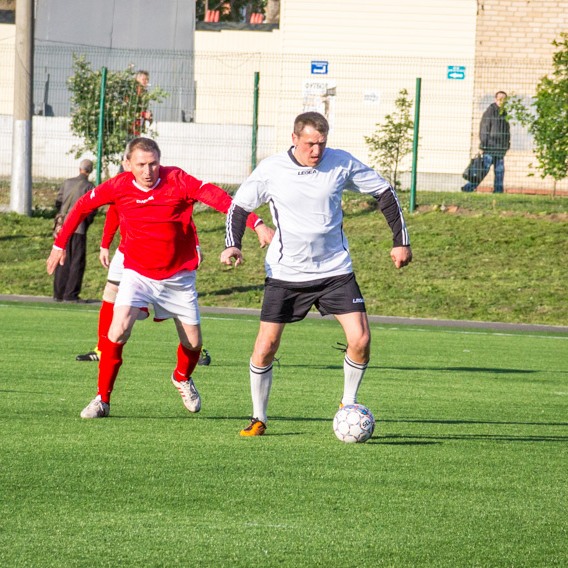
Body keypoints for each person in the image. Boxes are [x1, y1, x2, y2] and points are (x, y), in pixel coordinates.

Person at [47, 137, 273, 419]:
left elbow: (220, 199)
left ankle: (181, 377)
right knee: (117, 332)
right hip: (137, 273)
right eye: (141, 164)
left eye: (153, 163)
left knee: (193, 344)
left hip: (178, 276)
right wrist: (59, 245)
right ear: (127, 164)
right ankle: (102, 399)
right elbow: (81, 206)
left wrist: (257, 224)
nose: (148, 170)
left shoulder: (176, 179)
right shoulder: (119, 186)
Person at [221, 111, 412, 436]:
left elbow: (384, 192)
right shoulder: (271, 169)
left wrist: (400, 241)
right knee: (265, 346)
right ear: (294, 139)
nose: (317, 150)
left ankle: (348, 404)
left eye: (322, 143)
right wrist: (232, 244)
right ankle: (258, 417)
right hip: (286, 272)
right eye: (310, 143)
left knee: (361, 339)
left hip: (335, 270)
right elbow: (239, 206)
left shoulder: (340, 163)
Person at [74, 207, 212, 367]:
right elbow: (113, 212)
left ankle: (196, 347)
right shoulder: (121, 186)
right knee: (111, 291)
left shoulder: (162, 187)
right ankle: (102, 348)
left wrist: (195, 244)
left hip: (159, 251)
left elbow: (184, 215)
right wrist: (105, 244)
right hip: (127, 249)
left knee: (174, 301)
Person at [53, 159, 98, 302]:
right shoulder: (89, 186)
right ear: (90, 171)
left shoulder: (67, 183)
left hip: (63, 228)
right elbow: (92, 209)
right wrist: (86, 223)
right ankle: (71, 294)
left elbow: (58, 202)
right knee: (76, 262)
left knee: (61, 260)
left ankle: (58, 293)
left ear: (79, 169)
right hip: (79, 228)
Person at [463, 91, 510, 193]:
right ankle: (468, 188)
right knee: (483, 170)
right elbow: (484, 130)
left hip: (500, 148)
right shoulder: (490, 112)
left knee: (499, 171)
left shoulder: (504, 113)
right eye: (500, 99)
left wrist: (507, 144)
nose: (502, 101)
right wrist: (483, 146)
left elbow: (507, 130)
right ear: (495, 99)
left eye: (504, 99)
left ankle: (498, 191)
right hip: (489, 147)